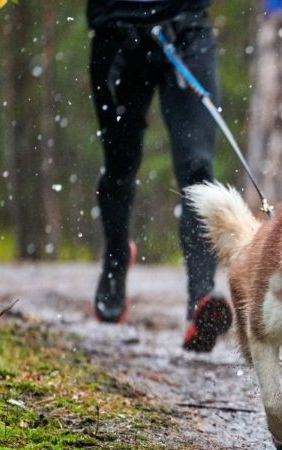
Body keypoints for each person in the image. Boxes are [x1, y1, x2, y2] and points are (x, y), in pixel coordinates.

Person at [86, 0, 232, 352]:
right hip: (115, 37)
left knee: (197, 165)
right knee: (119, 165)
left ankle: (201, 299)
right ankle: (116, 258)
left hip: (186, 32)